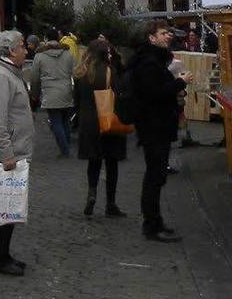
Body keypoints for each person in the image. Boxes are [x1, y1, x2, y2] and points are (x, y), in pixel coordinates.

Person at [0, 30, 34, 276]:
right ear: (11, 51)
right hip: (4, 154)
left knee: (9, 205)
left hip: (12, 150)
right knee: (2, 206)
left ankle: (3, 254)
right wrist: (7, 153)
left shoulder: (8, 72)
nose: (26, 50)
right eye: (22, 46)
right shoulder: (0, 76)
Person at [127, 21, 184, 242]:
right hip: (153, 126)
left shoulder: (155, 60)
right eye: (163, 33)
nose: (168, 36)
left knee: (157, 175)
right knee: (154, 176)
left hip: (157, 125)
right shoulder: (149, 63)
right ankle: (151, 224)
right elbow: (154, 93)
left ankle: (155, 220)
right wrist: (179, 83)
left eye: (169, 32)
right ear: (151, 38)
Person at [74, 36, 127, 218]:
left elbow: (77, 100)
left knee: (94, 162)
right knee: (111, 163)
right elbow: (119, 94)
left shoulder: (82, 73)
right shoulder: (110, 72)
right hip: (108, 119)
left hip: (89, 123)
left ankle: (92, 192)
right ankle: (110, 203)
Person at [28, 28, 76, 158]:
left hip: (49, 92)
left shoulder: (40, 56)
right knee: (65, 120)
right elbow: (75, 72)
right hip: (66, 90)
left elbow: (34, 78)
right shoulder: (67, 53)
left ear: (46, 39)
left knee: (56, 122)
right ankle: (67, 145)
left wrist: (34, 95)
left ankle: (65, 149)